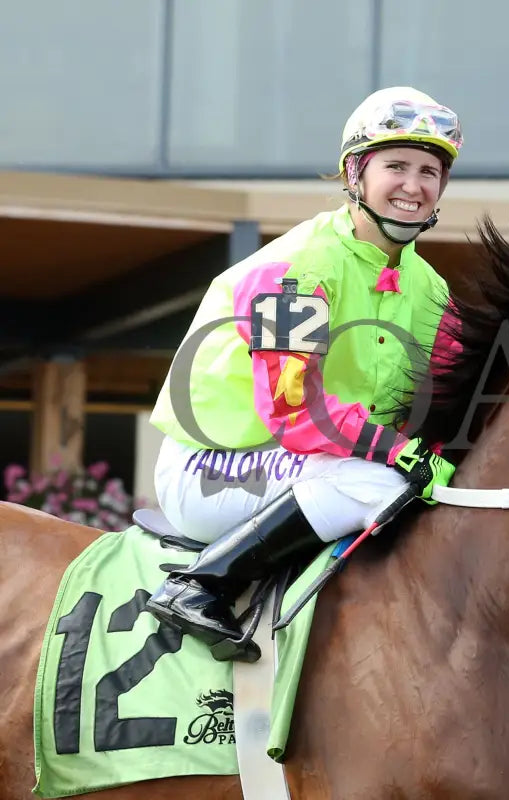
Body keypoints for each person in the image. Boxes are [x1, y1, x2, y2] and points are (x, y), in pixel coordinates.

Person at [144, 86, 464, 663]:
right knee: (382, 486)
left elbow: (434, 399)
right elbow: (295, 411)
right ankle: (200, 584)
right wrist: (396, 451)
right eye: (396, 166)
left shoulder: (429, 288)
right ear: (354, 174)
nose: (414, 186)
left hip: (316, 462)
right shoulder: (295, 268)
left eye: (429, 171)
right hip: (213, 463)